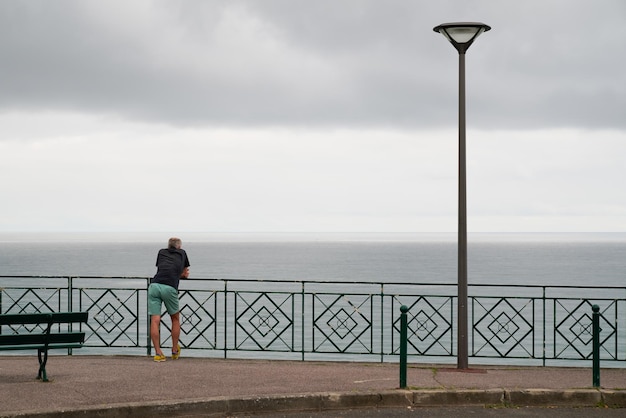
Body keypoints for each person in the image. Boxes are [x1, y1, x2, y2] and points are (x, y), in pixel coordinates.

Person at [148, 237, 190, 362]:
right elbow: (184, 273)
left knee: (155, 320)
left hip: (154, 285)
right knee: (175, 319)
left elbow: (161, 268)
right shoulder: (182, 253)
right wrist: (182, 275)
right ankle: (174, 350)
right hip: (169, 287)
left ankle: (158, 353)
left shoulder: (161, 252)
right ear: (179, 246)